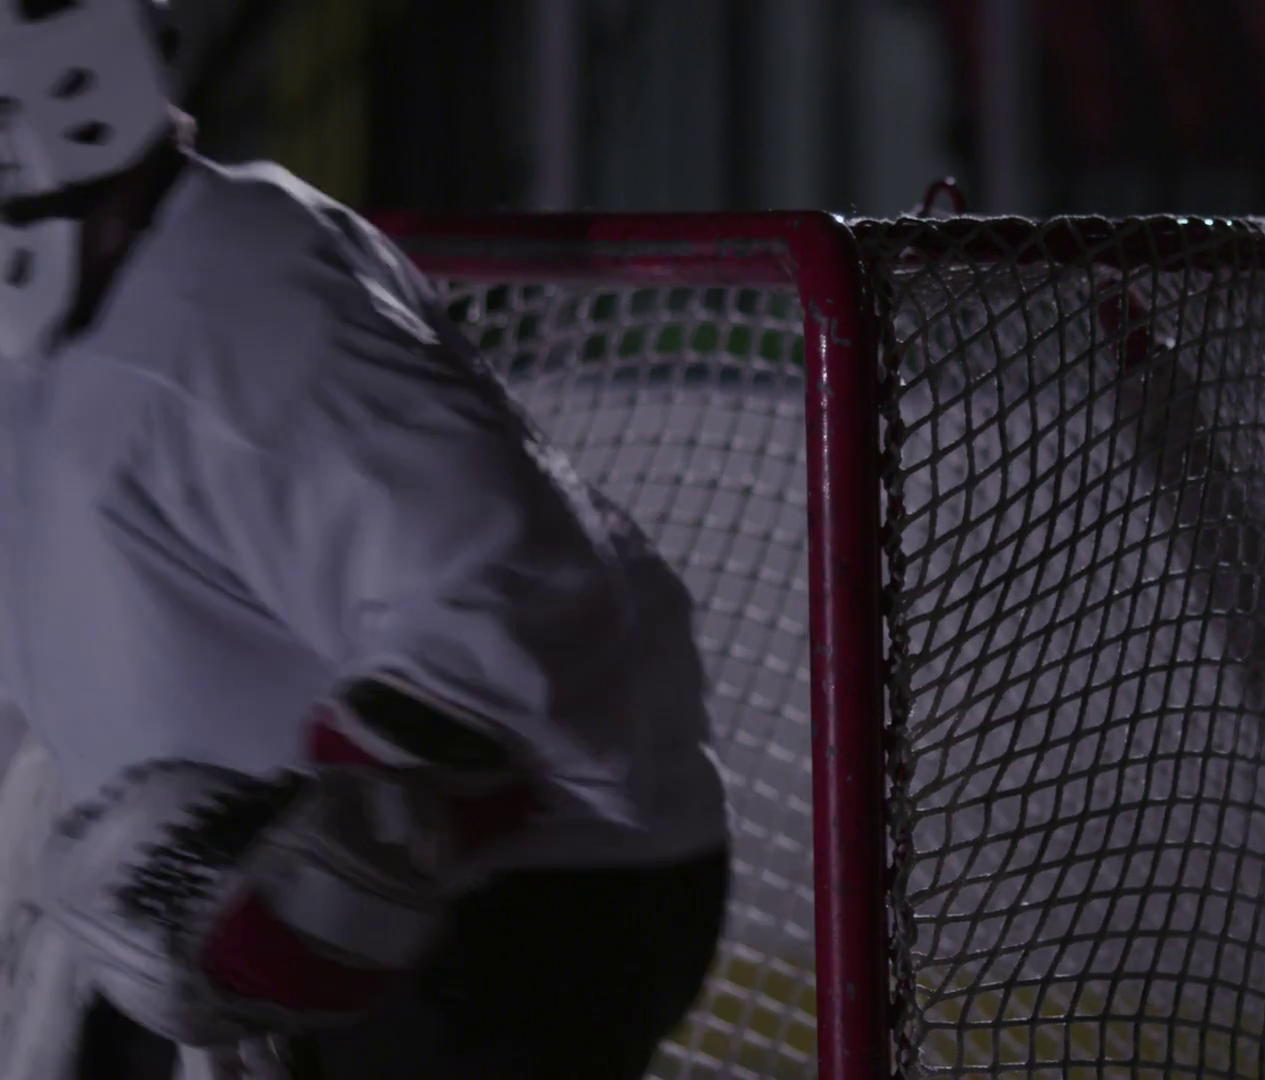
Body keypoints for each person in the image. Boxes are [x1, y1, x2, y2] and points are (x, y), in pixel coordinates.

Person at [0, 2, 730, 1077]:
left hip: (508, 926)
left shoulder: (239, 296)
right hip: (282, 936)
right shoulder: (60, 338)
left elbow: (514, 597)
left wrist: (317, 867)